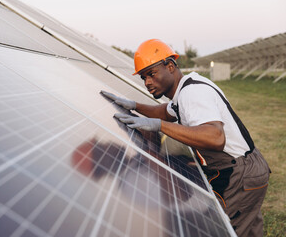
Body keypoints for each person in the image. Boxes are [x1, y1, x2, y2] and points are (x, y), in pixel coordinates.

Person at [101, 39, 270, 237]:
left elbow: (215, 137)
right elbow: (164, 111)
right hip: (244, 168)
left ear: (170, 66)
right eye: (143, 77)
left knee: (222, 231)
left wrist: (160, 127)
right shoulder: (184, 90)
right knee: (248, 229)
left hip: (239, 174)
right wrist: (134, 106)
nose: (147, 82)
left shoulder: (192, 93)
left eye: (152, 74)